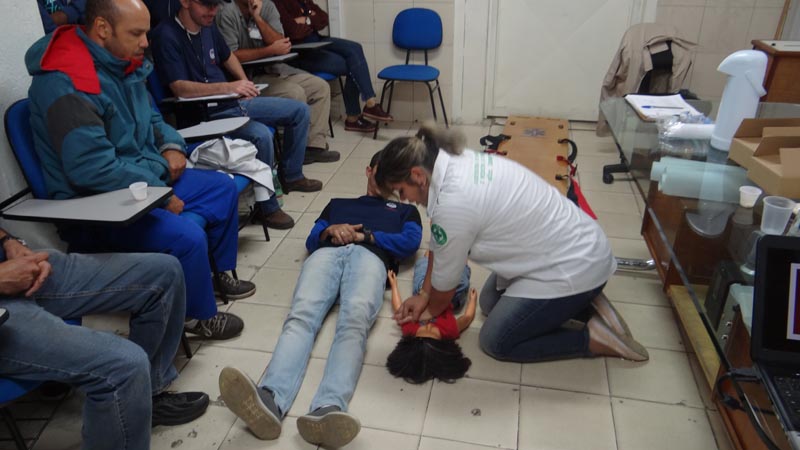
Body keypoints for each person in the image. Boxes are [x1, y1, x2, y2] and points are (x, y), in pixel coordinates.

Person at [26, 0, 249, 340]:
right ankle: (198, 316)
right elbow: (91, 170)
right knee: (187, 237)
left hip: (143, 178)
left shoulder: (121, 63)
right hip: (97, 203)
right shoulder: (67, 81)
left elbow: (154, 120)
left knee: (221, 187)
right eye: (137, 33)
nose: (146, 42)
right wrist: (160, 194)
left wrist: (172, 146)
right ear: (103, 29)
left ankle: (216, 275)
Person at [374, 124, 650, 363]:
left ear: (417, 175)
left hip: (573, 264)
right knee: (489, 303)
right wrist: (424, 294)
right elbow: (439, 242)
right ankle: (587, 303)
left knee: (496, 340)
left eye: (401, 190)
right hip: (575, 244)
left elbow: (444, 289)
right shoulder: (452, 161)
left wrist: (429, 311)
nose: (405, 199)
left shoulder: (453, 201)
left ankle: (593, 339)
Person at [218, 150, 422, 448]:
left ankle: (329, 407)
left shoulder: (405, 211)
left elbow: (410, 242)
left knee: (354, 323)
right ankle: (270, 397)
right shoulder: (337, 204)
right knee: (300, 317)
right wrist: (329, 230)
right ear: (369, 171)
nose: (387, 181)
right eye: (382, 172)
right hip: (327, 254)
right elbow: (312, 238)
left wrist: (366, 236)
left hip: (371, 257)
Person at [0, 227, 209, 449]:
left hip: (11, 266)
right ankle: (129, 397)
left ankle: (145, 398)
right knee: (125, 365)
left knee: (166, 272)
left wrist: (8, 241)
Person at [150, 0, 323, 230]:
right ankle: (267, 208)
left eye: (215, 6)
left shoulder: (207, 25)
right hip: (203, 113)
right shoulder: (166, 35)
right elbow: (180, 88)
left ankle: (292, 175)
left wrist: (244, 83)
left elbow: (228, 56)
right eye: (207, 6)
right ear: (185, 2)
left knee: (299, 111)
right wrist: (228, 87)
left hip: (231, 102)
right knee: (261, 135)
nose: (213, 12)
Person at [215, 0, 340, 165]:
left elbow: (281, 43)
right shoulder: (227, 13)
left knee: (319, 87)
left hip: (275, 69)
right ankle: (292, 156)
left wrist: (257, 18)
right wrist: (268, 51)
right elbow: (231, 55)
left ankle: (312, 148)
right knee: (295, 93)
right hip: (248, 77)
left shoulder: (266, 6)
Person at [272, 0, 392, 133]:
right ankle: (355, 116)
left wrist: (306, 19)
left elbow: (323, 18)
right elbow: (292, 31)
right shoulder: (278, 3)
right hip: (301, 51)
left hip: (317, 41)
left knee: (355, 48)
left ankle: (369, 102)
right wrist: (310, 18)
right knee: (353, 65)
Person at [386, 268, 475, 384]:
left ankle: (428, 262)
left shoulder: (410, 328)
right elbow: (466, 318)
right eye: (433, 331)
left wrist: (394, 285)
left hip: (422, 290)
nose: (428, 326)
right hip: (448, 295)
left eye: (423, 328)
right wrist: (472, 301)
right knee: (459, 280)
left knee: (423, 270)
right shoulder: (449, 330)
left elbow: (398, 307)